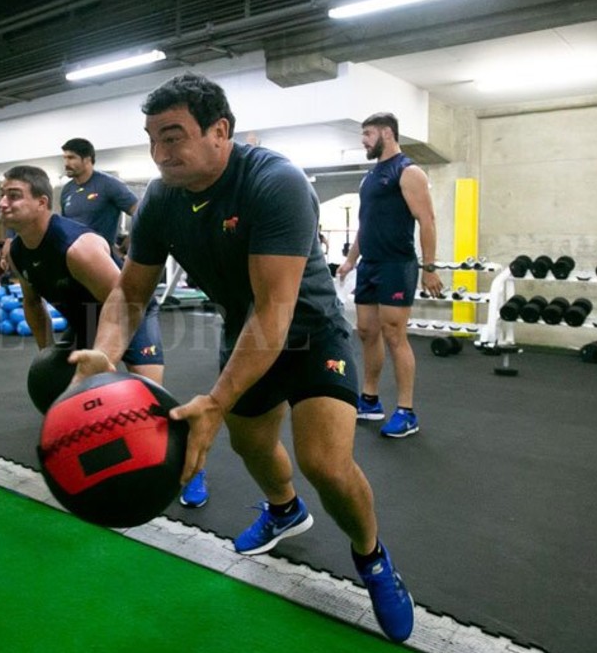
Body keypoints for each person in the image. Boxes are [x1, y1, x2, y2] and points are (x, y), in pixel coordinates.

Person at [69, 73, 413, 642]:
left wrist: (215, 400)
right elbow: (128, 295)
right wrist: (105, 357)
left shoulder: (274, 182)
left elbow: (275, 314)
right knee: (251, 443)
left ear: (219, 131)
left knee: (324, 462)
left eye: (173, 136)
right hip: (244, 330)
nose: (159, 153)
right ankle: (283, 509)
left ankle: (372, 557)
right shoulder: (159, 199)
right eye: (152, 139)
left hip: (308, 332)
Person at [0, 165, 209, 508]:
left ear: (41, 202)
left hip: (130, 310)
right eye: (2, 195)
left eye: (14, 195)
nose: (3, 203)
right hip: (83, 320)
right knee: (77, 391)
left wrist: (106, 357)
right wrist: (47, 357)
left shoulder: (76, 247)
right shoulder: (17, 252)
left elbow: (127, 301)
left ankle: (194, 467)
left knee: (152, 402)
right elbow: (32, 303)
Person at [335, 112, 443, 438]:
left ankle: (407, 411)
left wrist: (430, 268)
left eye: (367, 134)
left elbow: (427, 220)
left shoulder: (408, 171)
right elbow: (365, 224)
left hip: (397, 264)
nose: (364, 140)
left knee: (394, 333)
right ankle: (370, 400)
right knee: (367, 331)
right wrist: (350, 261)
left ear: (386, 133)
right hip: (369, 264)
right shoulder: (369, 177)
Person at [60, 138, 138, 246]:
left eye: (71, 158)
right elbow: (65, 225)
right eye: (64, 158)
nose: (66, 163)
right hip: (73, 255)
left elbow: (141, 213)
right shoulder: (67, 189)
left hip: (101, 255)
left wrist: (129, 242)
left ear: (87, 159)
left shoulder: (109, 184)